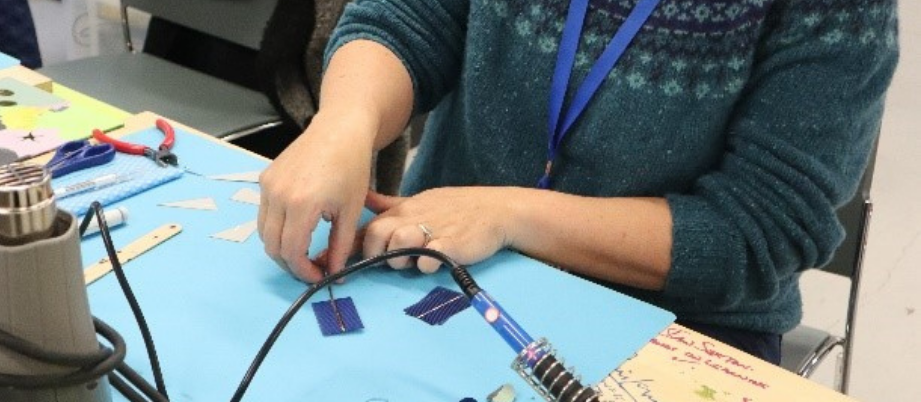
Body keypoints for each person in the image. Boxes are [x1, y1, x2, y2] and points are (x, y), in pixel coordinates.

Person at [257, 0, 899, 364]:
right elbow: (410, 19)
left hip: (680, 324)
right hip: (436, 260)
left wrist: (509, 215)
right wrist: (343, 123)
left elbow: (756, 234)